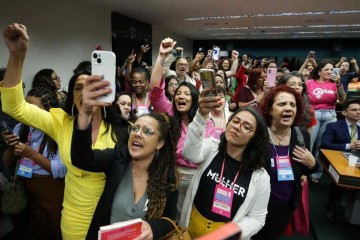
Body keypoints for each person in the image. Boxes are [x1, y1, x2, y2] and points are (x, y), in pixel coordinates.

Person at [1, 23, 129, 239]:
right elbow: (14, 107)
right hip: (72, 219)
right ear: (71, 94)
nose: (85, 91)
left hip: (110, 218)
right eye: (79, 87)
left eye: (92, 85)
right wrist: (17, 54)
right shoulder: (62, 122)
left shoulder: (123, 129)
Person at [70, 75, 180, 239]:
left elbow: (171, 219)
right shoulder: (118, 158)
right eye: (135, 129)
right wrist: (85, 113)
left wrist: (153, 227)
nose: (137, 134)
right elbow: (81, 158)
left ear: (159, 143)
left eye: (147, 131)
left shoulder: (167, 176)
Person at [179, 88, 270, 240]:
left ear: (255, 137)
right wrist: (201, 116)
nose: (237, 126)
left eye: (247, 126)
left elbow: (257, 219)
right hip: (190, 226)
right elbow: (189, 154)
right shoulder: (212, 147)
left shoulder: (260, 177)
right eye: (235, 120)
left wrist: (229, 234)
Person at [149, 37, 217, 219]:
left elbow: (208, 152)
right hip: (173, 175)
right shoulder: (170, 114)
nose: (181, 96)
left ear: (194, 99)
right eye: (178, 93)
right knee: (173, 216)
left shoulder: (206, 123)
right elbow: (155, 91)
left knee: (191, 216)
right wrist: (161, 57)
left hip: (198, 176)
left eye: (187, 94)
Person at [254, 85, 319, 240]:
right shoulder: (258, 134)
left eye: (292, 104)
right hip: (255, 206)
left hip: (284, 207)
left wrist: (313, 165)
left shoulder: (301, 135)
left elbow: (303, 169)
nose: (288, 108)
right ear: (270, 110)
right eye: (282, 104)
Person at [2, 86, 66, 240]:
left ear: (49, 110)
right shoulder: (21, 127)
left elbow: (61, 169)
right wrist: (11, 147)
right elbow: (5, 162)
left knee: (54, 230)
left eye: (33, 109)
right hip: (27, 186)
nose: (28, 113)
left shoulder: (59, 129)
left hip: (51, 188)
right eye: (25, 107)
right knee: (34, 230)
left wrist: (31, 154)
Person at [306, 60, 346, 183]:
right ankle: (304, 171)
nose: (330, 72)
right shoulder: (309, 83)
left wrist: (339, 83)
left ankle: (317, 173)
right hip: (314, 114)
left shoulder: (335, 84)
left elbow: (342, 99)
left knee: (322, 145)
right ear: (319, 71)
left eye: (332, 69)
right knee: (309, 144)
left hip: (330, 115)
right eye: (327, 69)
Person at [321, 99, 360, 222]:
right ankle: (331, 205)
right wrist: (349, 146)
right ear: (344, 113)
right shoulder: (333, 126)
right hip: (339, 160)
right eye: (354, 110)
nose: (358, 112)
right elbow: (325, 144)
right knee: (339, 179)